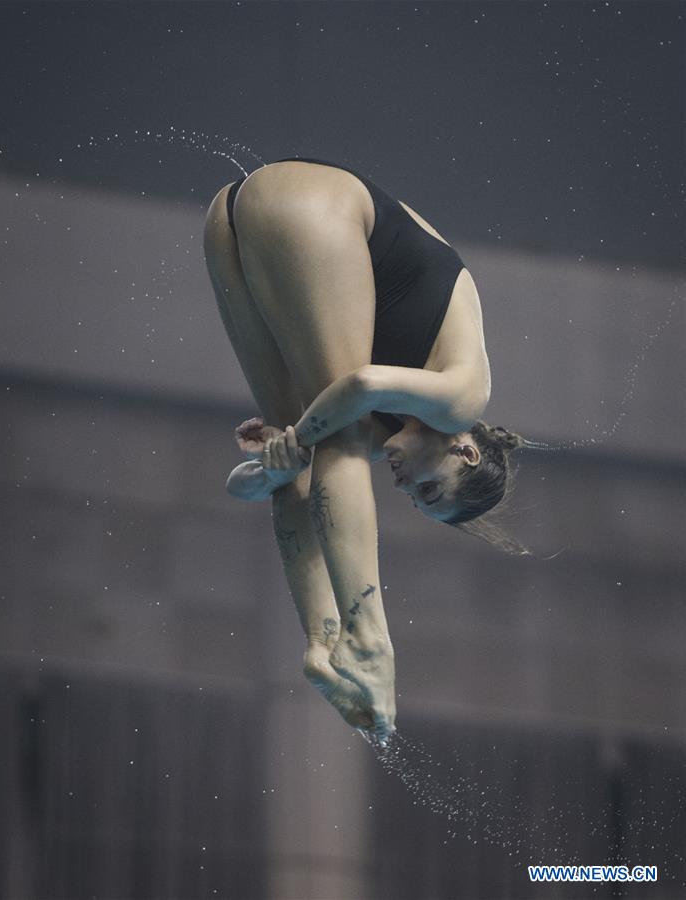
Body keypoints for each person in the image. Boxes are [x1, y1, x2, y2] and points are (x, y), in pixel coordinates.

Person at [203, 157, 524, 743]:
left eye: (413, 500)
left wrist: (275, 464)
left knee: (313, 466)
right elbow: (362, 386)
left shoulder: (380, 433)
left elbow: (267, 481)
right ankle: (372, 643)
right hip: (312, 206)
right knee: (336, 443)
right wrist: (299, 438)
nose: (402, 488)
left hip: (230, 219)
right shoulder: (461, 400)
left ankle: (324, 644)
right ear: (467, 454)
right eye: (429, 489)